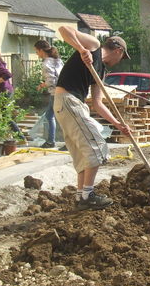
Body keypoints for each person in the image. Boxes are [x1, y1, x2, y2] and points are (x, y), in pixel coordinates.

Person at [54, 26, 131, 209]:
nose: (120, 61)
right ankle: (88, 196)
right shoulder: (94, 46)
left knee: (83, 153)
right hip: (68, 99)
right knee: (97, 145)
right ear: (118, 51)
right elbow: (64, 29)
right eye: (122, 57)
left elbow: (98, 103)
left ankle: (81, 197)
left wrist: (117, 124)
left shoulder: (101, 72)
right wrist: (81, 49)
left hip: (70, 104)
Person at [34, 40, 64, 148]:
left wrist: (42, 85)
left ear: (41, 50)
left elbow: (51, 81)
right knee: (53, 115)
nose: (37, 54)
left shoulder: (46, 63)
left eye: (36, 51)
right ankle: (52, 140)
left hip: (55, 92)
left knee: (52, 116)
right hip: (63, 90)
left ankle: (51, 141)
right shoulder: (58, 60)